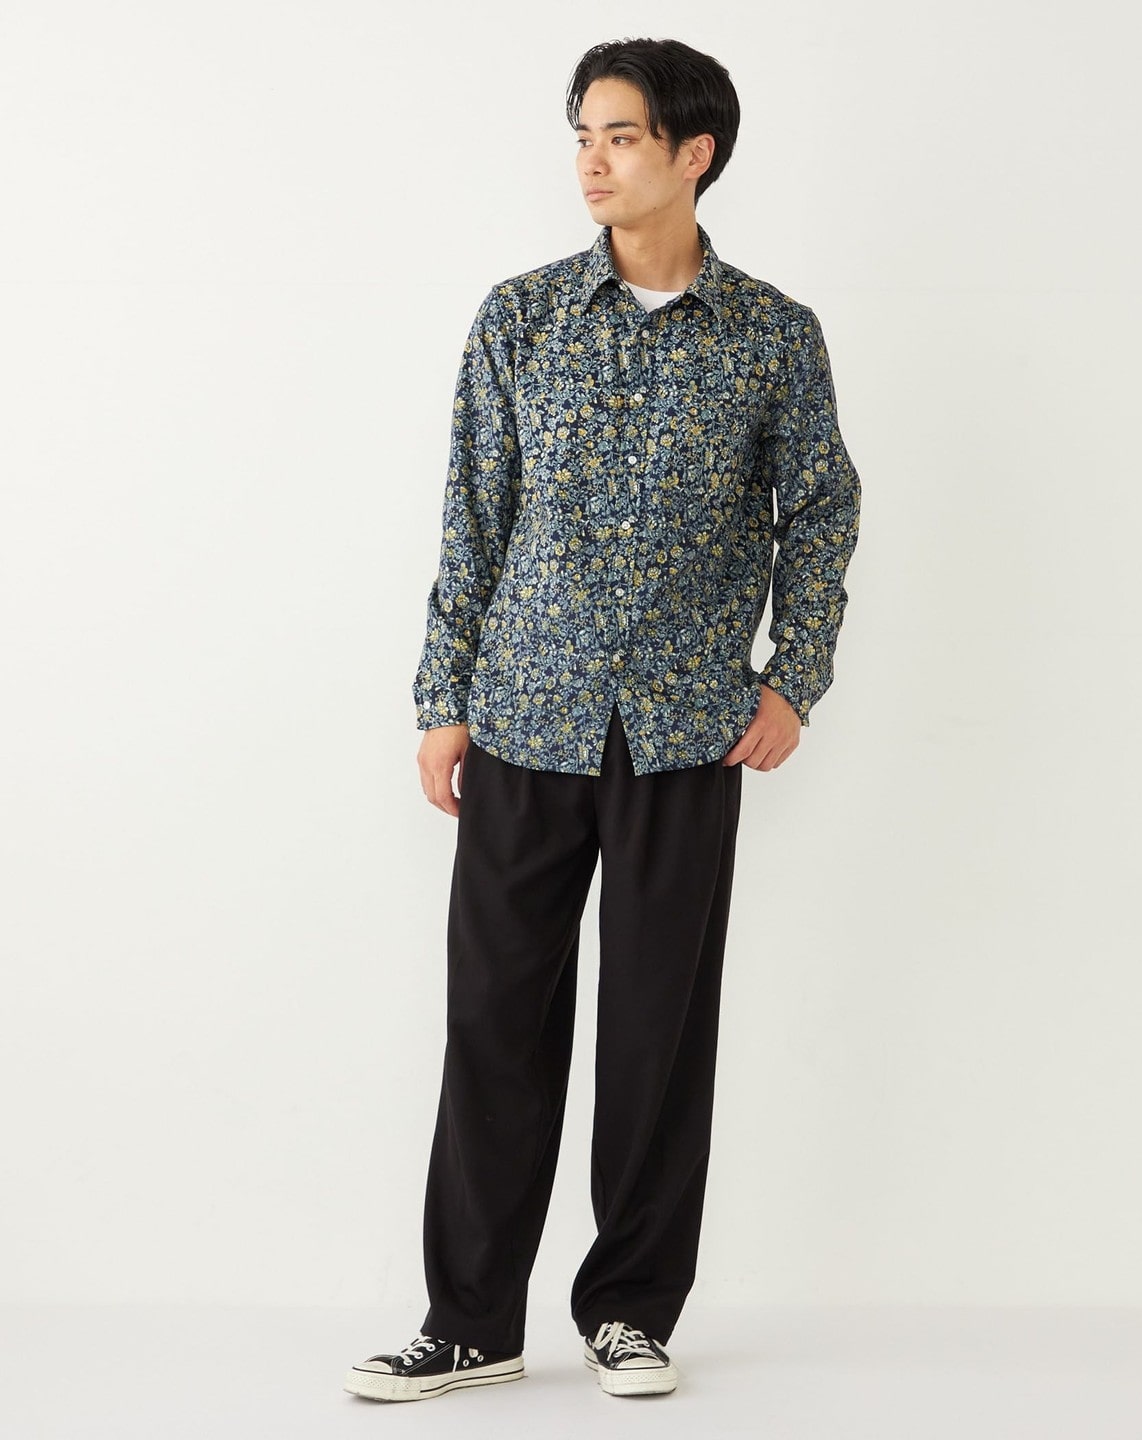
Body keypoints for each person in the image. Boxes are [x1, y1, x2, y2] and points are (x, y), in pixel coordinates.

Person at [344, 35, 861, 1404]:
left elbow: (819, 510)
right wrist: (443, 697)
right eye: (582, 132)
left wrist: (795, 676)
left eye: (620, 136)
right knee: (496, 1021)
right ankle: (471, 1320)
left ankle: (631, 1310)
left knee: (656, 1034)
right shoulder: (520, 318)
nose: (590, 159)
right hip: (525, 717)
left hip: (688, 730)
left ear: (694, 154)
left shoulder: (774, 335)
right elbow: (472, 518)